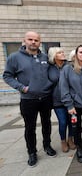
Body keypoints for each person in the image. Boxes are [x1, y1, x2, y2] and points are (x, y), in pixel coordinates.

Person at [3, 31, 56, 167]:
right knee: (30, 128)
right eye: (30, 39)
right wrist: (22, 87)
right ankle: (32, 152)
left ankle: (47, 146)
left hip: (45, 98)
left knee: (47, 124)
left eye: (36, 40)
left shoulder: (45, 57)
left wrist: (49, 86)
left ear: (40, 42)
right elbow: (7, 76)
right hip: (28, 99)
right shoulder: (15, 57)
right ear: (24, 41)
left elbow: (52, 73)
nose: (33, 42)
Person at [48, 47, 76, 153]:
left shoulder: (69, 66)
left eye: (63, 52)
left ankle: (71, 139)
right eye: (60, 53)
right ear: (54, 56)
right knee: (63, 122)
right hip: (57, 100)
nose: (63, 54)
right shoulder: (49, 68)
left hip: (70, 99)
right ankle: (63, 140)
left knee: (72, 122)